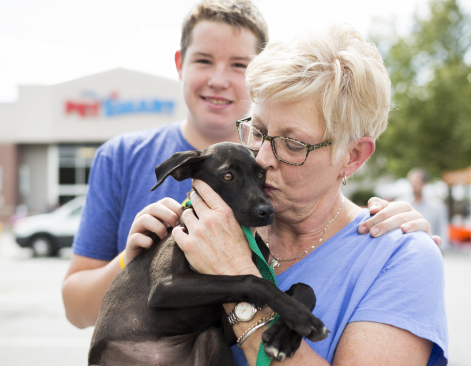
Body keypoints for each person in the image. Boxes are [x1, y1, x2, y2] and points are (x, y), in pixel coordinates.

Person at [62, 0, 441, 330]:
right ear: (180, 64)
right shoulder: (123, 157)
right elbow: (79, 309)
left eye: (239, 65)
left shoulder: (287, 196)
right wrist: (133, 261)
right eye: (256, 132)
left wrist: (400, 236)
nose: (219, 79)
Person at [165, 24, 448, 365]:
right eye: (257, 131)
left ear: (353, 155)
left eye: (293, 143)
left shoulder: (398, 258)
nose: (263, 158)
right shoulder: (213, 226)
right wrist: (128, 263)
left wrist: (235, 278)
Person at [399, 168, 449, 251]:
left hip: (430, 250)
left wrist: (442, 249)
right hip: (406, 250)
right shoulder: (400, 204)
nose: (414, 185)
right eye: (412, 182)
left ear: (425, 183)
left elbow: (442, 229)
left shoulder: (437, 206)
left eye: (417, 182)